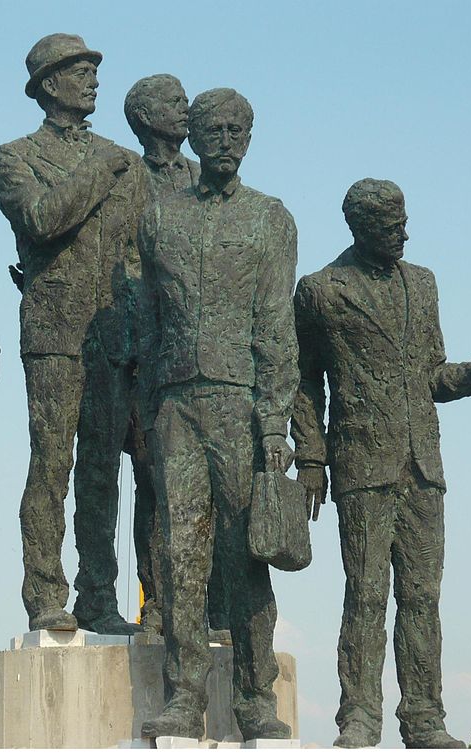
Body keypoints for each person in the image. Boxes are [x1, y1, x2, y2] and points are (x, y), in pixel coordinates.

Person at [292, 178, 471, 749]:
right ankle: (358, 717)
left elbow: (434, 375)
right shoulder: (321, 291)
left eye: (405, 223)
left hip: (422, 465)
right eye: (391, 227)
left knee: (422, 596)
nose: (403, 235)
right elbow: (303, 380)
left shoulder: (424, 284)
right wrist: (311, 456)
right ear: (360, 228)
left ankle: (425, 718)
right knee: (364, 593)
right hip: (361, 463)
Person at [137, 88, 298, 741]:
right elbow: (147, 320)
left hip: (240, 402)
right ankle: (184, 696)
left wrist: (275, 424)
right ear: (195, 138)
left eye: (238, 129)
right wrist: (150, 409)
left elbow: (276, 327)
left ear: (250, 138)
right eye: (215, 129)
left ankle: (257, 697)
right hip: (176, 403)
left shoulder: (270, 218)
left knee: (244, 553)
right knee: (180, 553)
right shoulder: (159, 219)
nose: (227, 139)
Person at [0, 33, 146, 634]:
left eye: (94, 71)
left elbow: (134, 254)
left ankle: (98, 598)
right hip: (53, 330)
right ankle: (44, 595)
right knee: (51, 463)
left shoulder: (120, 159)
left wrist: (136, 333)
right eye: (81, 71)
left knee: (103, 467)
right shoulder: (13, 157)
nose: (93, 80)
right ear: (50, 85)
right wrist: (96, 170)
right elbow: (42, 218)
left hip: (111, 336)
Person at [123, 73, 226, 634]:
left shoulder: (201, 176)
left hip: (200, 351)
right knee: (152, 481)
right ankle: (157, 598)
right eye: (172, 101)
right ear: (142, 114)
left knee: (200, 491)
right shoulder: (126, 178)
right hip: (144, 351)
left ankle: (203, 601)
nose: (184, 107)